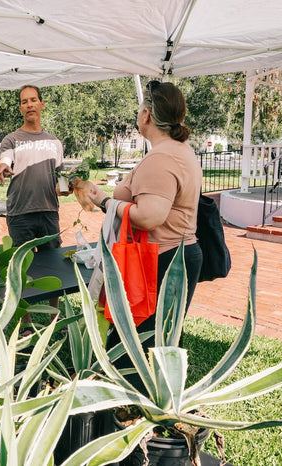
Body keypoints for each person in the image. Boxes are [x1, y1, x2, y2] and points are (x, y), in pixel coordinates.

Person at [87, 80, 203, 336]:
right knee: (160, 338)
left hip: (161, 260)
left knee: (139, 343)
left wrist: (105, 203)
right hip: (174, 255)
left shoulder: (162, 157)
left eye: (140, 108)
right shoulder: (177, 150)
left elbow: (149, 217)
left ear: (146, 115)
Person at [0, 84, 69, 318]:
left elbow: (60, 180)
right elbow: (5, 159)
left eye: (33, 100)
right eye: (24, 102)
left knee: (54, 264)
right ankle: (26, 321)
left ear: (42, 104)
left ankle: (54, 315)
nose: (29, 105)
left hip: (48, 211)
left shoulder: (54, 142)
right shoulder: (12, 139)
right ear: (20, 108)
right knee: (21, 267)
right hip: (20, 213)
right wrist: (3, 166)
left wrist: (65, 187)